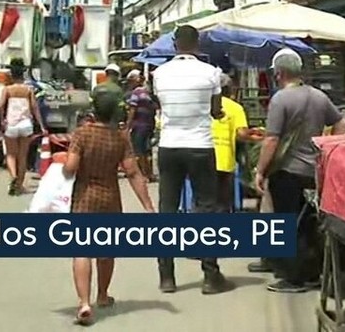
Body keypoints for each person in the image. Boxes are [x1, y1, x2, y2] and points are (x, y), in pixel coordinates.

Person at [254, 48, 345, 293]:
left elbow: (271, 140)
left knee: (287, 223)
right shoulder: (318, 96)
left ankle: (293, 278)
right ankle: (311, 274)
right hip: (312, 172)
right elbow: (341, 122)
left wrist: (260, 171)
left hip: (287, 171)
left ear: (280, 73)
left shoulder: (280, 100)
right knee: (307, 222)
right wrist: (328, 151)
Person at [62, 80, 156, 325]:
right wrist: (148, 206)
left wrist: (64, 167)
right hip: (109, 198)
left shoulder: (82, 133)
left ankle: (84, 303)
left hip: (84, 198)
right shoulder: (121, 138)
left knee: (81, 250)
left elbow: (70, 169)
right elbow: (133, 172)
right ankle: (102, 295)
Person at [149, 25, 231, 295]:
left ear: (175, 45)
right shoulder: (211, 73)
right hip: (200, 146)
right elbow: (216, 110)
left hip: (170, 146)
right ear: (198, 45)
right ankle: (210, 276)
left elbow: (162, 106)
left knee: (167, 210)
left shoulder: (158, 74)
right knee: (206, 207)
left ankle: (167, 277)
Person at [0, 58, 46, 195]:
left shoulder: (7, 89)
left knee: (11, 155)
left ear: (11, 74)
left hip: (11, 124)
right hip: (26, 125)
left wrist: (2, 120)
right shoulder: (28, 90)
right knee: (23, 156)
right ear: (23, 74)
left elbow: (0, 105)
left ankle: (13, 177)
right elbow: (35, 108)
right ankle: (19, 186)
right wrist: (42, 126)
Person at [214, 74, 250, 213]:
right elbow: (241, 134)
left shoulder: (203, 105)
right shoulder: (235, 108)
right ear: (229, 89)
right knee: (223, 203)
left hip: (202, 158)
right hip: (224, 160)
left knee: (203, 202)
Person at [123, 69, 159, 182]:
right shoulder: (148, 93)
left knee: (139, 151)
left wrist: (128, 126)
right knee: (146, 150)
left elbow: (132, 110)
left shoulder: (136, 93)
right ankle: (150, 173)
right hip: (148, 125)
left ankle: (144, 175)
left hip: (139, 126)